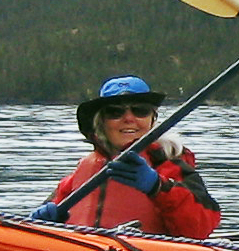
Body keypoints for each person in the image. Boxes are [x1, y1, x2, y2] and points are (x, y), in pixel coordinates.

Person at [28, 74, 222, 238]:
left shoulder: (171, 166)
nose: (129, 119)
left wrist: (157, 187)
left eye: (140, 111)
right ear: (101, 122)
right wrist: (42, 223)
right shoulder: (78, 177)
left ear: (152, 120)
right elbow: (36, 225)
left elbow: (201, 229)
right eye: (115, 112)